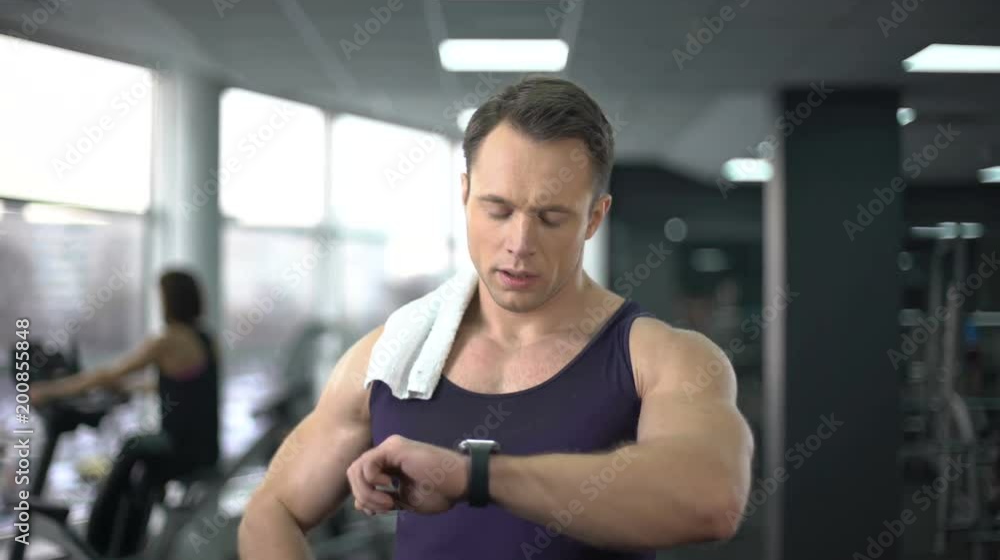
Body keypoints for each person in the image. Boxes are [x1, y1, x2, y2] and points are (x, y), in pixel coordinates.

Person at [238, 76, 754, 559]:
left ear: (594, 217)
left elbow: (710, 499)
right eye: (498, 210)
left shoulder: (660, 358)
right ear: (465, 195)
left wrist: (474, 476)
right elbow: (269, 511)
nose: (519, 243)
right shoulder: (389, 360)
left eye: (551, 217)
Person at [32, 269, 220, 555]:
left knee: (131, 449)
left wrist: (48, 390)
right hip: (205, 449)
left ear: (171, 301)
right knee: (140, 464)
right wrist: (131, 388)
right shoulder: (206, 338)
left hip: (180, 449)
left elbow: (106, 373)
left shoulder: (168, 340)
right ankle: (124, 543)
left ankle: (102, 542)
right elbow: (184, 385)